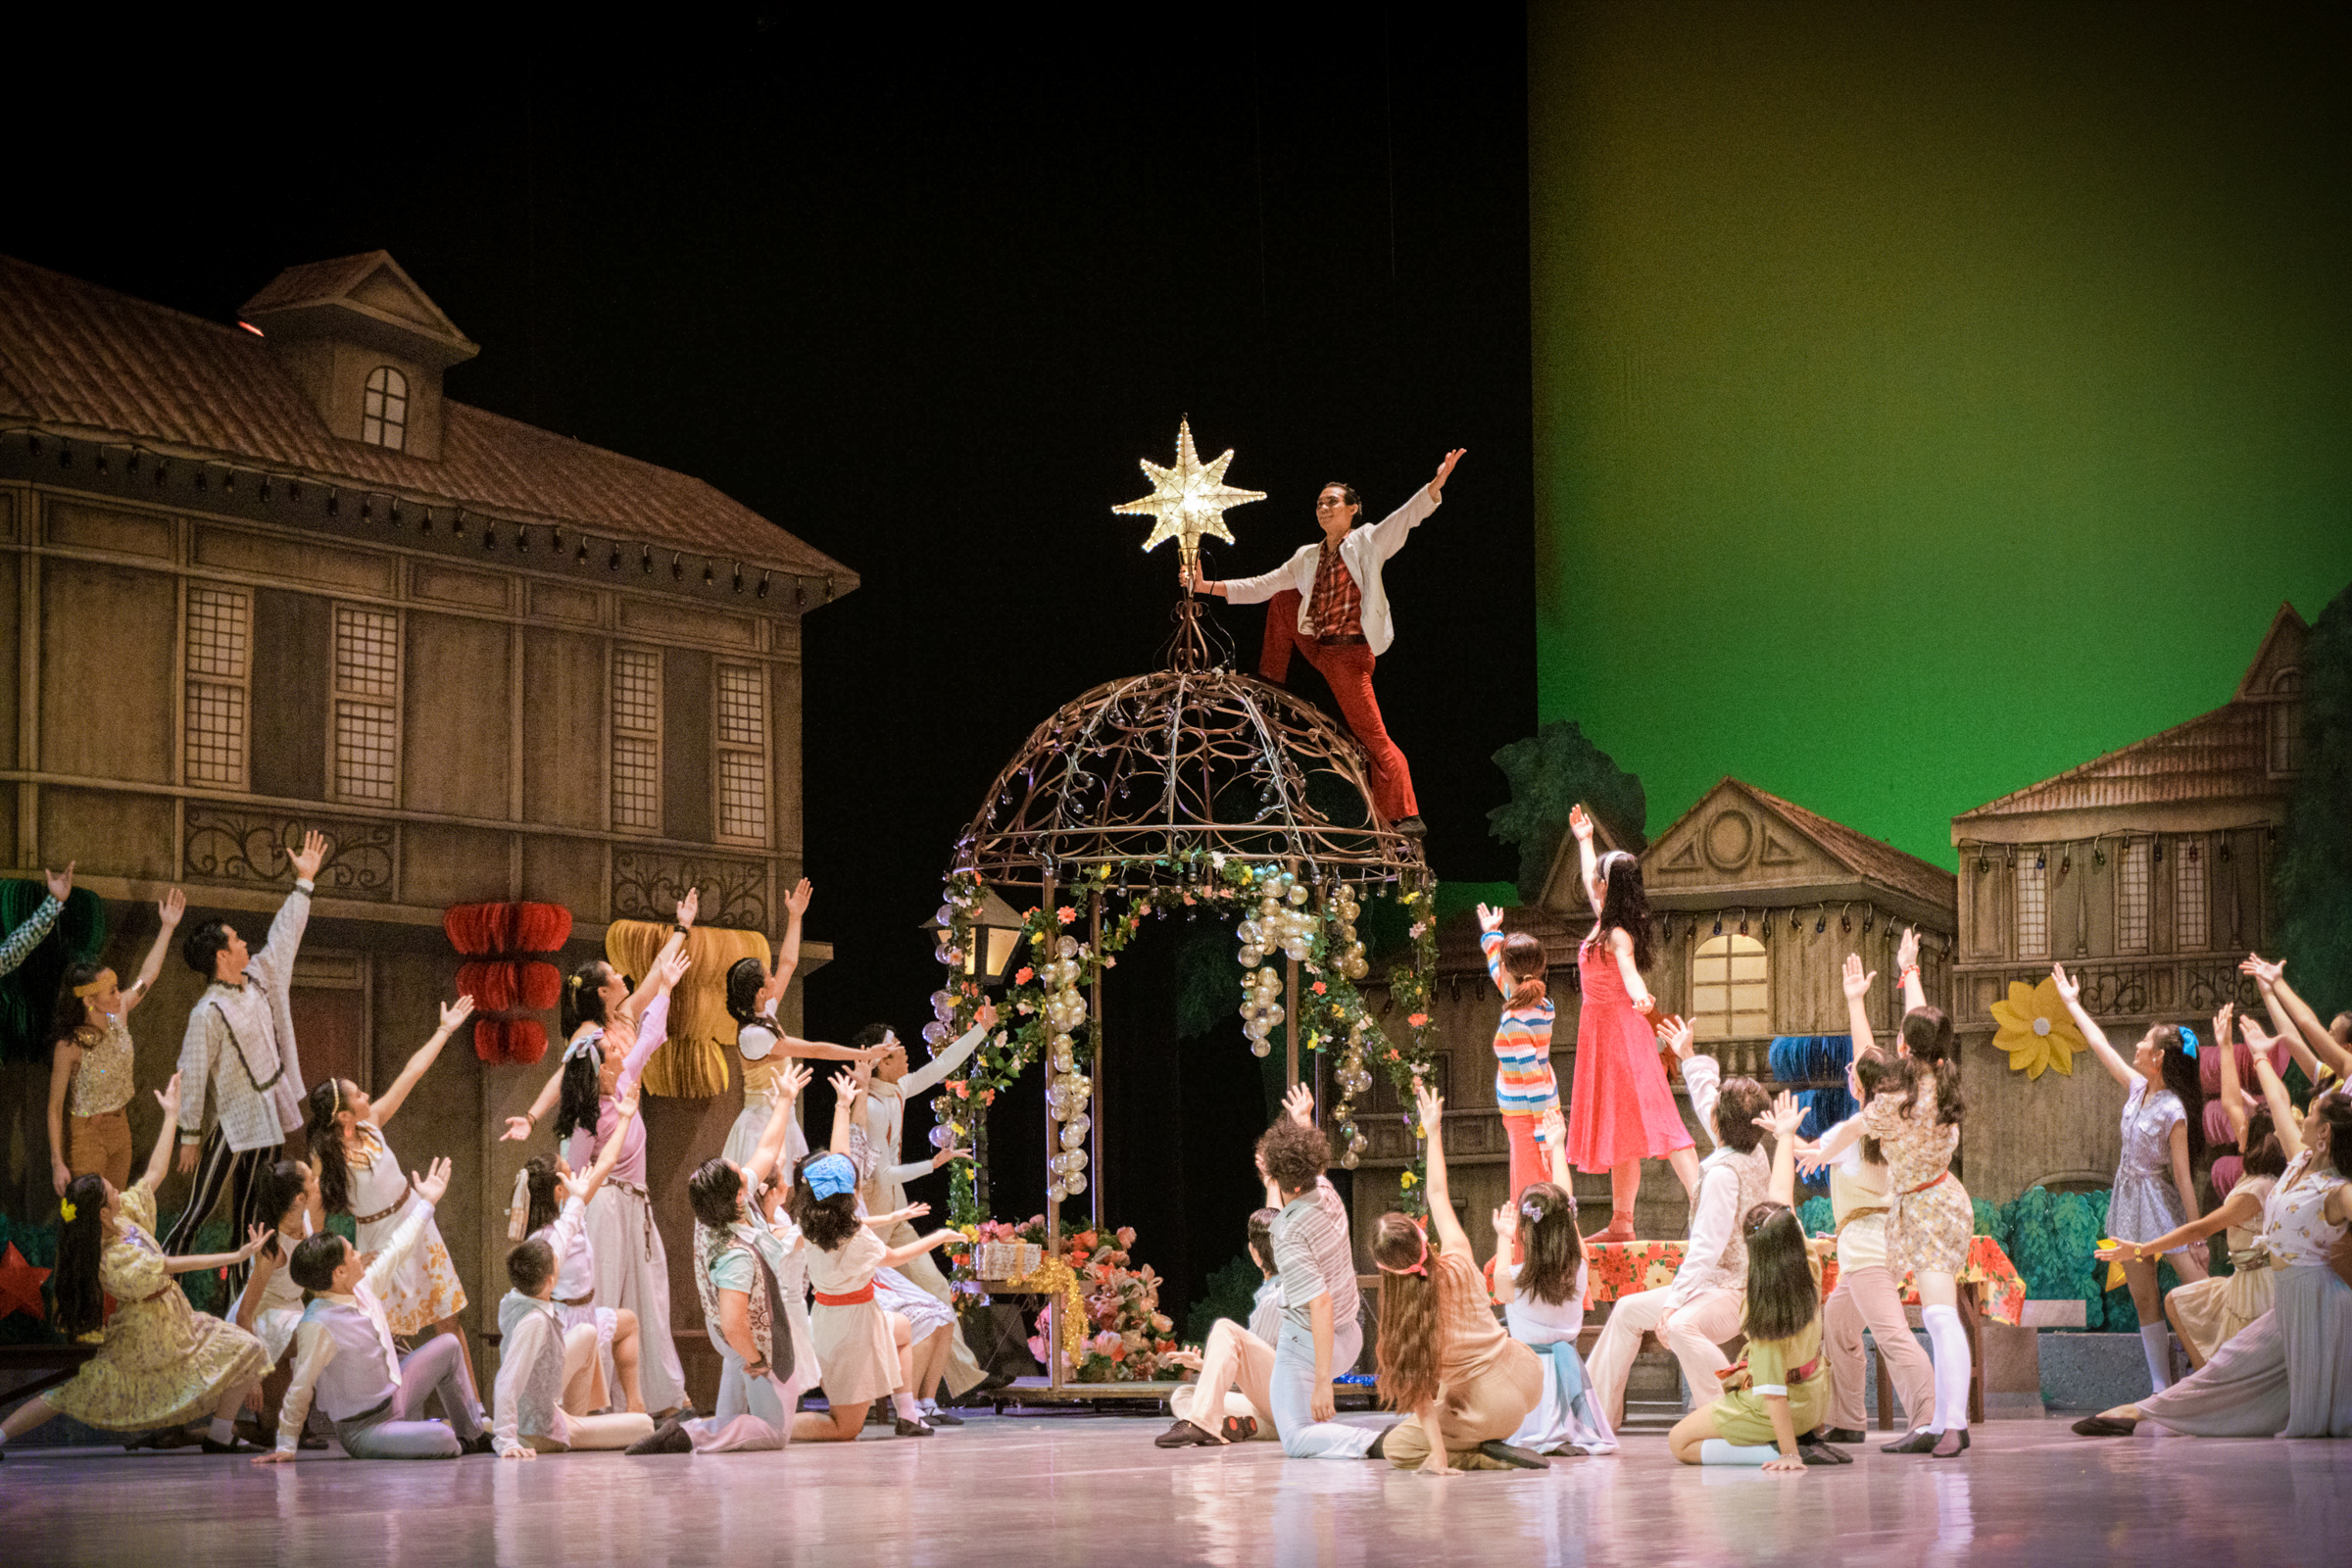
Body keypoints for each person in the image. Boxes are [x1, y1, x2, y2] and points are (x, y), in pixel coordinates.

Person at [2074, 1035, 2352, 1440]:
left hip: (2317, 1302)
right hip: (2290, 1301)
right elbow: (2274, 1099)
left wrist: (2145, 1247)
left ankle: (2139, 1412)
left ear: (2324, 1132)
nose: (2299, 1121)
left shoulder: (2338, 1190)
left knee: (2286, 1396)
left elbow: (2201, 1228)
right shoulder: (2299, 1162)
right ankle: (2142, 1412)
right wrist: (2258, 1053)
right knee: (2233, 1366)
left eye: (2309, 1117)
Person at [1179, 449, 1467, 835]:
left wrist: (1436, 483)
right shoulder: (1307, 557)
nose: (1324, 508)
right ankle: (1270, 681)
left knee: (1372, 735)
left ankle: (1407, 814)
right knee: (1282, 598)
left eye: (1332, 502)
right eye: (1319, 503)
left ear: (1352, 509)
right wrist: (1203, 587)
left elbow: (1406, 518)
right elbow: (1262, 585)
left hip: (1349, 654)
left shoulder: (1367, 541)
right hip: (1321, 646)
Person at [0, 1073, 272, 1458]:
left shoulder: (123, 1216)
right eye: (110, 1191)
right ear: (101, 1213)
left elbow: (154, 1174)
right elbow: (168, 1264)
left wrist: (171, 1115)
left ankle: (220, 1435)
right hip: (144, 1338)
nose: (117, 1189)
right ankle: (1, 1435)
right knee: (73, 1394)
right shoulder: (111, 1257)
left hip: (176, 1322)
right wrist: (235, 1256)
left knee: (246, 1348)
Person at [505, 901, 697, 1416]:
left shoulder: (623, 1030)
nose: (624, 978)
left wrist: (681, 929)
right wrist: (532, 1115)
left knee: (649, 1291)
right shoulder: (591, 1041)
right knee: (606, 1290)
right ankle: (595, 1400)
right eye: (615, 976)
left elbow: (654, 998)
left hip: (634, 1187)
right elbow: (566, 1081)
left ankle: (659, 1394)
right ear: (601, 992)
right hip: (606, 1194)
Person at [1811, 943, 1975, 1458]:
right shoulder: (1938, 1078)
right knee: (1917, 1319)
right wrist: (1910, 970)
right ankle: (1936, 1421)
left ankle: (1946, 1421)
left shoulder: (1898, 1104)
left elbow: (1854, 1121)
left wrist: (1814, 1151)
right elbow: (1919, 1029)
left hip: (1925, 1211)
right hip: (1940, 1200)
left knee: (1935, 1320)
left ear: (1904, 1047)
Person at [630, 1065, 834, 1455]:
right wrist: (757, 1359)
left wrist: (785, 1100)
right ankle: (692, 1434)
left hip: (734, 1334)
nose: (744, 1166)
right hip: (746, 1335)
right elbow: (734, 1322)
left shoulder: (722, 1208)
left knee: (734, 1392)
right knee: (774, 1434)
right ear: (739, 1195)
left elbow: (766, 1150)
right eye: (739, 1171)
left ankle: (710, 1429)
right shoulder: (734, 1252)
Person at [1586, 1013, 1772, 1427]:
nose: (1711, 1110)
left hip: (1738, 1291)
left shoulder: (1723, 1175)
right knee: (1628, 1310)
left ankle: (1727, 1413)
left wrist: (1672, 1304)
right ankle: (1597, 1418)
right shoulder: (1752, 1146)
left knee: (1680, 1326)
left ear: (1722, 1124)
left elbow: (1705, 1249)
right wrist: (1687, 1055)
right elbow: (1708, 1103)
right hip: (1715, 1285)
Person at [1158, 1084, 1367, 1450]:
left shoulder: (1290, 1241)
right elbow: (1301, 1183)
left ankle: (1213, 1423)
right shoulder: (1328, 1196)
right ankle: (1247, 1423)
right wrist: (1303, 1123)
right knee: (1187, 1395)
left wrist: (1322, 1384)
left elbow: (1318, 1301)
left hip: (1313, 1350)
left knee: (1225, 1332)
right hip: (1346, 1337)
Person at [164, 830, 329, 1293]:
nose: (244, 944)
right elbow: (192, 1072)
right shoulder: (207, 1011)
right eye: (235, 940)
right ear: (221, 955)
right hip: (233, 1127)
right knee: (198, 1209)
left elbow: (284, 936)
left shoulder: (258, 979)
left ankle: (239, 1304)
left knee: (253, 1220)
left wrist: (304, 882)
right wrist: (190, 1135)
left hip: (267, 1121)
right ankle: (157, 1288)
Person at [258, 1154, 489, 1462]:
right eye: (351, 1254)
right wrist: (286, 1446)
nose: (359, 1255)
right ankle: (450, 1441)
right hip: (365, 1429)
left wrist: (427, 1201)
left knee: (448, 1345)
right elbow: (300, 1387)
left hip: (395, 1395)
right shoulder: (318, 1323)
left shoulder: (363, 1287)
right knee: (443, 1437)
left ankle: (473, 1434)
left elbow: (399, 1247)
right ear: (339, 1273)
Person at [304, 995, 480, 1392]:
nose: (367, 1096)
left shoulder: (372, 1124)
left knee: (448, 1319)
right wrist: (332, 1262)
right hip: (378, 1239)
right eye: (358, 1095)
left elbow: (411, 1073)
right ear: (344, 1116)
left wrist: (444, 1030)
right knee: (385, 1331)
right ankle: (390, 1406)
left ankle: (474, 1407)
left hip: (416, 1220)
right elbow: (314, 1218)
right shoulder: (325, 1157)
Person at [2050, 959, 2209, 1394]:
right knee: (2143, 1299)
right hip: (2128, 1202)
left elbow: (2182, 1177)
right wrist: (2072, 1004)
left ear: (2158, 1058)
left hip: (2159, 1204)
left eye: (2145, 1041)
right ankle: (2160, 1386)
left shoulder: (2174, 1109)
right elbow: (2100, 1044)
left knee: (2200, 1288)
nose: (2137, 1045)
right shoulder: (2139, 1089)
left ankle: (2222, 1370)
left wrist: (2197, 1236)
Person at [1370, 1080, 1544, 1472]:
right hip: (1526, 1374)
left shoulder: (1405, 1320)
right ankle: (1480, 1443)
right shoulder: (1459, 1257)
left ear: (1386, 1272)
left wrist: (1437, 1453)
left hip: (1492, 1408)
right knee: (1446, 1390)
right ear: (1422, 1236)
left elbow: (1418, 1396)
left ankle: (1479, 1454)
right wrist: (1432, 1131)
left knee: (1396, 1446)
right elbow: (1437, 1194)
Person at [1668, 1089, 1845, 1469]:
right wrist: (1785, 1135)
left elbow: (1773, 1393)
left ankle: (1781, 1448)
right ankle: (1802, 1439)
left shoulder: (1763, 1307)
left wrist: (1789, 1454)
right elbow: (1781, 1194)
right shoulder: (1809, 1263)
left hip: (1785, 1408)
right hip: (1816, 1397)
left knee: (1679, 1442)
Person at [845, 997, 998, 1419]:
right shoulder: (870, 1106)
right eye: (896, 1046)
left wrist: (981, 1029)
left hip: (895, 1209)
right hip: (874, 1213)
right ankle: (883, 1395)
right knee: (880, 1302)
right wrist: (932, 1164)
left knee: (934, 1288)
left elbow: (941, 1065)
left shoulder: (896, 1089)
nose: (905, 1050)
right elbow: (881, 1174)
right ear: (880, 1061)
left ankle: (961, 1380)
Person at [794, 1068, 963, 1441]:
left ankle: (908, 1413)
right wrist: (939, 1236)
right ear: (851, 1193)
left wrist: (842, 1105)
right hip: (851, 1326)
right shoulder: (856, 1236)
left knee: (902, 1328)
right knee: (844, 1429)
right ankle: (772, 1426)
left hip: (834, 1316)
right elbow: (895, 1257)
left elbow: (839, 1157)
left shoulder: (809, 1222)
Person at [494, 1083, 657, 1458]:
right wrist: (505, 1438)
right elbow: (508, 1379)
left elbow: (606, 1163)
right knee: (639, 1426)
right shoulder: (548, 1242)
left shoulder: (568, 1215)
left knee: (623, 1322)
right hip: (562, 1318)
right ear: (558, 1190)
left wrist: (626, 1117)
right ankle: (568, 1421)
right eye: (569, 1171)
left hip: (583, 1314)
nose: (576, 1172)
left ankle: (604, 1411)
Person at [1562, 804, 1699, 1241]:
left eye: (1599, 877)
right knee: (1619, 1125)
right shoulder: (1604, 919)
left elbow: (1629, 973)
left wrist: (1642, 998)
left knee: (1661, 1119)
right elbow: (1589, 874)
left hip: (1623, 1033)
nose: (1592, 881)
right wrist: (1585, 841)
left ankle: (1703, 1200)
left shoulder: (1617, 935)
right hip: (1602, 1034)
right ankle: (1622, 1222)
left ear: (1608, 887)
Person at [1802, 1042, 1935, 1444]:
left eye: (1852, 1071)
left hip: (1867, 1250)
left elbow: (1813, 1151)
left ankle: (1928, 1421)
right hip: (1879, 1241)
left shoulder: (1853, 1132)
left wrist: (1780, 1134)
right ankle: (1847, 1420)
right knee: (1838, 1323)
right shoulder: (1890, 1126)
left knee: (1892, 1336)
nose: (1847, 1074)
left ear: (1860, 1086)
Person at [719, 879, 886, 1173]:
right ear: (761, 992)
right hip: (761, 1125)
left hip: (781, 1118)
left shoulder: (764, 1013)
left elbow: (788, 963)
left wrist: (795, 916)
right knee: (766, 1190)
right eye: (768, 976)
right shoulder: (754, 1035)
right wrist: (864, 1054)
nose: (774, 977)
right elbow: (815, 1049)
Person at [1491, 1106, 1616, 1456]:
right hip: (1567, 1370)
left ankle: (1539, 1431)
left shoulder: (1515, 1279)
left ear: (1524, 1232)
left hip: (1527, 1380)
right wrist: (1557, 1146)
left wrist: (1503, 1236)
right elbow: (1565, 1207)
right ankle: (1567, 1428)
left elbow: (1500, 1278)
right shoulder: (1578, 1268)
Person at [46, 887, 184, 1195]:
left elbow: (147, 976)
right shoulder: (69, 1046)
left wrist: (167, 927)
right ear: (89, 1001)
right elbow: (55, 1108)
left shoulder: (118, 1013)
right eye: (110, 990)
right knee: (89, 1211)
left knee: (115, 1207)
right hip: (87, 1133)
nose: (118, 994)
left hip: (120, 1128)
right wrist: (57, 1162)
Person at [1160, 1206, 1285, 1445]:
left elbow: (1259, 1368)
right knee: (1184, 1395)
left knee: (1225, 1328)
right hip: (1273, 1404)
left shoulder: (1278, 1296)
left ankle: (1206, 1424)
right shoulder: (1272, 1293)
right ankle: (1232, 1426)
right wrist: (1205, 1365)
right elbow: (1254, 1373)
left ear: (1254, 1253)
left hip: (1287, 1399)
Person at [231, 1156, 326, 1447]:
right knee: (317, 1329)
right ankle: (203, 1432)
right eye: (311, 1179)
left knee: (274, 1432)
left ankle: (214, 1432)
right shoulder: (271, 1248)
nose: (317, 1182)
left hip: (292, 1314)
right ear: (299, 1198)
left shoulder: (308, 1223)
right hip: (264, 1322)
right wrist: (253, 1374)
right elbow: (244, 1314)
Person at [1476, 902, 1561, 1220]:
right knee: (1534, 1196)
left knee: (1532, 1200)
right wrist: (1492, 935)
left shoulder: (1515, 1020)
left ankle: (1527, 1251)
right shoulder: (1542, 1004)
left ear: (1508, 969)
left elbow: (1533, 1079)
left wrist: (1542, 1138)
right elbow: (1500, 974)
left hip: (1530, 1119)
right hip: (1538, 1114)